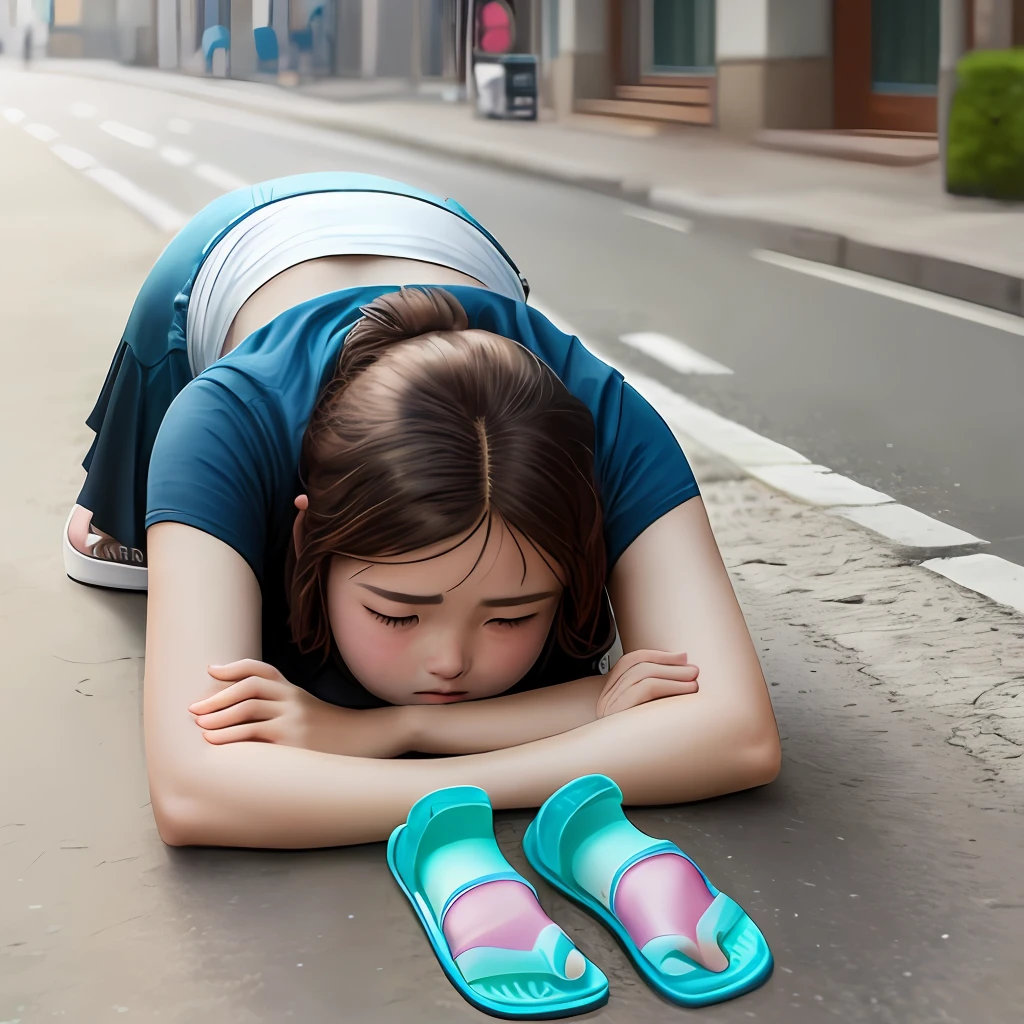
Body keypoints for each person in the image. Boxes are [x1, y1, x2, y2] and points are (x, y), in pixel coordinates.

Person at [66, 172, 781, 852]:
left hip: (451, 241)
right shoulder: (224, 419)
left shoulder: (603, 413)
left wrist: (382, 733)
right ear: (306, 528)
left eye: (511, 616)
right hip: (219, 258)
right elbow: (196, 795)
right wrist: (586, 715)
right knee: (121, 547)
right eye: (398, 614)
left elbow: (739, 735)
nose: (450, 665)